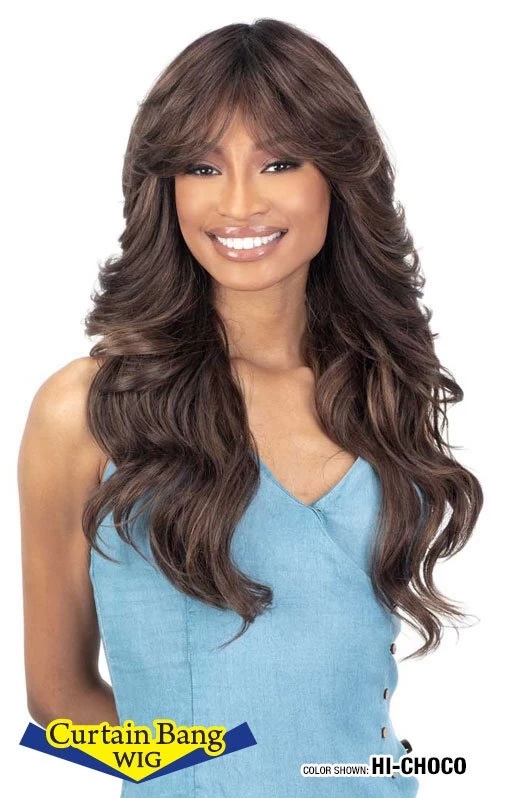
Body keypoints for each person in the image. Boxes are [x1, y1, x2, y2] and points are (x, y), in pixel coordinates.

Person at [18, 18, 483, 798]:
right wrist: (202, 776)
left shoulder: (381, 388)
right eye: (203, 166)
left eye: (278, 162)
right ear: (166, 187)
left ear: (336, 177)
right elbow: (57, 700)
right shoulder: (89, 409)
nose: (238, 202)